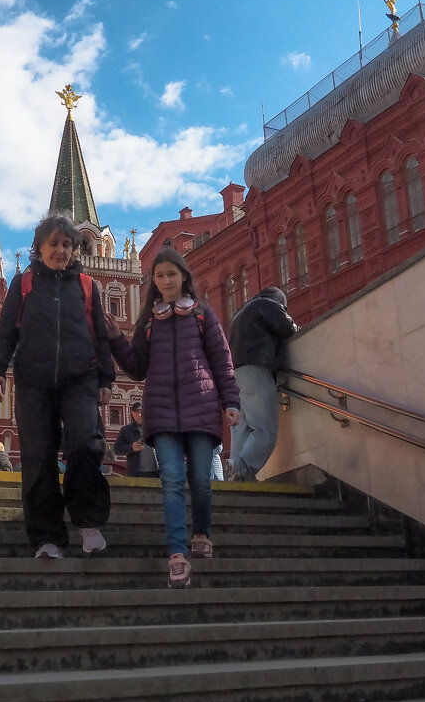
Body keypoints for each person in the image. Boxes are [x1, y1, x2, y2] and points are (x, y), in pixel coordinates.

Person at [105, 245, 241, 588]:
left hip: (202, 407)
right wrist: (117, 339)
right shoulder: (150, 320)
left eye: (171, 274)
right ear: (155, 280)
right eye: (160, 275)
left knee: (200, 482)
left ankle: (202, 532)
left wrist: (231, 402)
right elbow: (137, 368)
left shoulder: (203, 315)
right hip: (161, 413)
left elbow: (223, 362)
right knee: (171, 483)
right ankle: (177, 555)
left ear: (183, 277)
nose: (166, 280)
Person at [0, 212, 114, 559]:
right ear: (39, 247)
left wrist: (106, 378)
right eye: (53, 244)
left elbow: (100, 336)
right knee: (38, 456)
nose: (60, 250)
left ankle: (88, 522)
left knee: (87, 445)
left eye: (66, 244)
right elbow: (7, 331)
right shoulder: (24, 284)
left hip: (81, 378)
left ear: (74, 249)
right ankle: (48, 538)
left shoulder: (88, 286)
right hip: (34, 381)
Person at [227, 286, 299, 481]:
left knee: (241, 429)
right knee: (265, 430)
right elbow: (288, 328)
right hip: (256, 369)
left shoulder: (239, 313)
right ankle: (242, 471)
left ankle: (235, 472)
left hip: (235, 375)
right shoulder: (268, 304)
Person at [113, 401, 159, 478]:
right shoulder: (126, 430)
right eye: (136, 412)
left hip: (157, 473)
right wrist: (131, 448)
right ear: (132, 413)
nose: (139, 415)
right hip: (136, 474)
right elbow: (116, 449)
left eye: (142, 412)